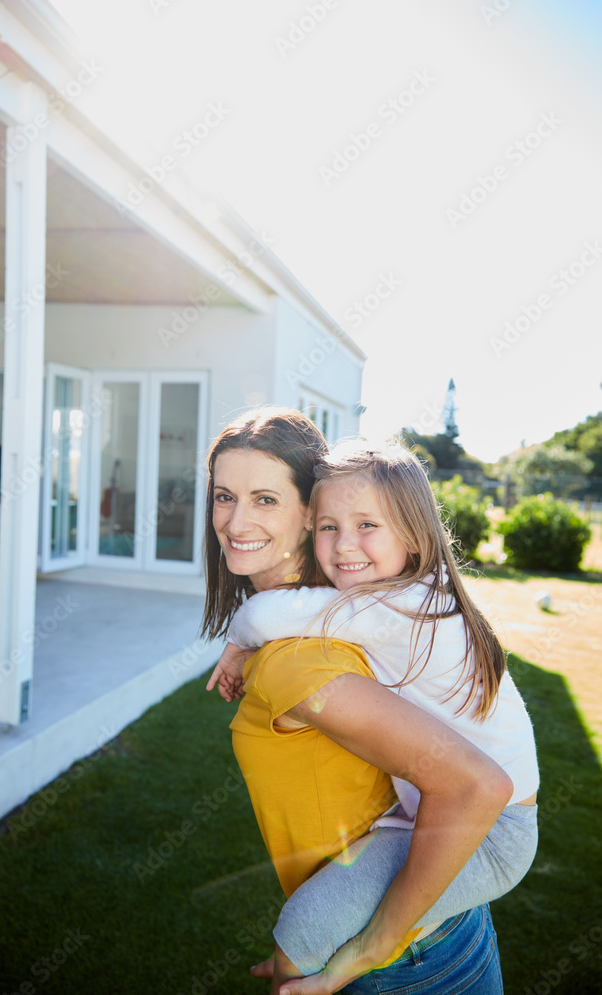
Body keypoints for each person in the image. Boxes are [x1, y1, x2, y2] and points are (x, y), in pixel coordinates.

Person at [202, 408, 512, 994]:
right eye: (224, 496)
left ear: (310, 512)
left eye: (265, 499)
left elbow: (474, 786)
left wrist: (360, 947)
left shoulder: (301, 659)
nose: (236, 520)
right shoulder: (333, 621)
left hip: (404, 961)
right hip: (425, 932)